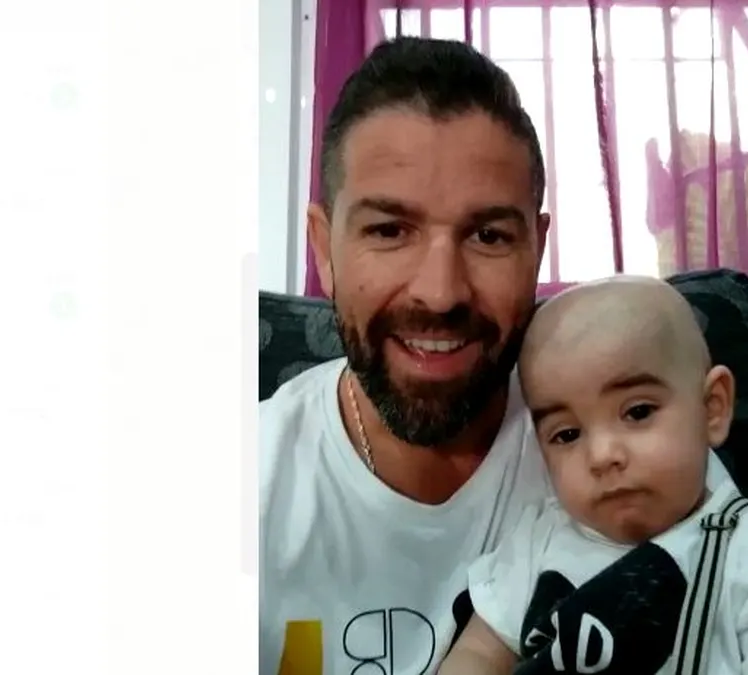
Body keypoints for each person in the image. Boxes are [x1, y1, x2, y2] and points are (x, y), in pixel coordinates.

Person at [259, 36, 554, 675]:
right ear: (323, 249)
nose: (440, 293)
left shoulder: (630, 448)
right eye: (390, 230)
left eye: (488, 235)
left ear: (537, 248)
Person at [438, 276, 748, 675]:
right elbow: (478, 653)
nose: (601, 456)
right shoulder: (537, 541)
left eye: (638, 412)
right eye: (567, 435)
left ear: (712, 408)